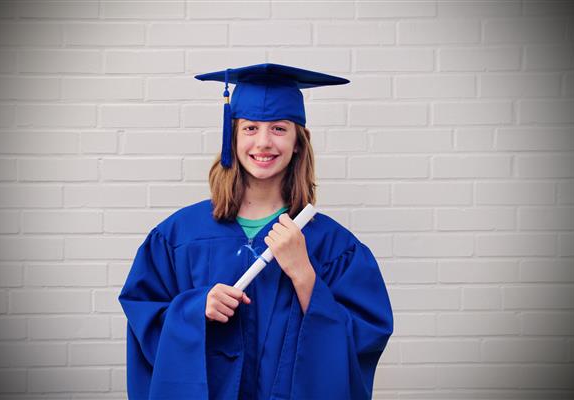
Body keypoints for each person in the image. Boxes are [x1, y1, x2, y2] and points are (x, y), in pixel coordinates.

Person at [118, 63, 393, 400]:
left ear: (297, 143)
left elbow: (364, 338)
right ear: (231, 137)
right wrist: (195, 308)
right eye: (249, 128)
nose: (263, 142)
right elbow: (144, 319)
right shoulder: (177, 236)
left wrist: (304, 275)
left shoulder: (333, 245)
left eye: (278, 128)